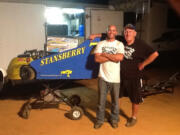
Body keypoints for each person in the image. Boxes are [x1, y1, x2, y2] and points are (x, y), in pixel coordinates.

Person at [90, 23, 159, 127]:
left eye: (130, 32)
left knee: (135, 99)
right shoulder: (121, 39)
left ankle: (133, 117)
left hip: (134, 76)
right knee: (118, 97)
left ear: (135, 33)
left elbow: (155, 54)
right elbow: (107, 34)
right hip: (120, 76)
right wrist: (95, 35)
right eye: (126, 31)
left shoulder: (141, 44)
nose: (127, 33)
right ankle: (115, 116)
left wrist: (143, 64)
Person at [94, 25, 124, 129]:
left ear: (116, 32)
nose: (111, 32)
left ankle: (114, 119)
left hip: (115, 78)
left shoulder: (119, 44)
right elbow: (97, 59)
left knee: (115, 102)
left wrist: (105, 55)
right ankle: (99, 120)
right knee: (101, 102)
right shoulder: (101, 44)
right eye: (109, 30)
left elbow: (119, 58)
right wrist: (112, 57)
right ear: (107, 32)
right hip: (102, 77)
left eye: (113, 30)